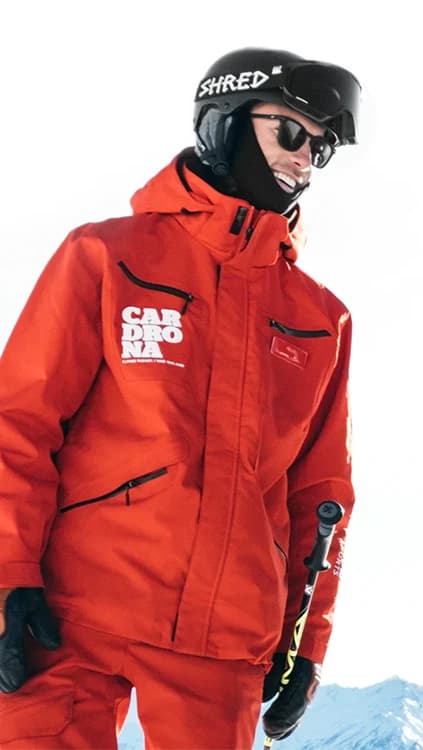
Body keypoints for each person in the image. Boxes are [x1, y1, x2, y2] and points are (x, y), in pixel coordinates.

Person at [0, 46, 360, 749]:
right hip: (73, 617)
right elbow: (19, 423)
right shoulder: (109, 257)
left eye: (320, 147)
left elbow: (322, 497)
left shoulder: (321, 318)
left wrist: (307, 643)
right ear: (225, 123)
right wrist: (7, 578)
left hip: (223, 641)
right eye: (290, 132)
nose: (304, 159)